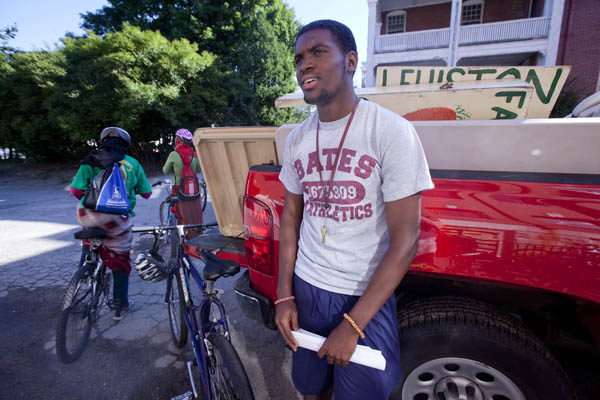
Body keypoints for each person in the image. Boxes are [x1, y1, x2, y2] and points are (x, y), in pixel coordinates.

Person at [275, 20, 434, 399]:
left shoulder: (390, 131)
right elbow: (291, 218)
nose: (304, 66)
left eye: (318, 52)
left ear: (350, 61)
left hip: (363, 292)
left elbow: (405, 241)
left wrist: (353, 324)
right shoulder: (297, 139)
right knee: (311, 386)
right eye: (299, 58)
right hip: (308, 285)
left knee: (363, 392)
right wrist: (284, 294)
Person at [70, 127, 152, 321]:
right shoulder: (132, 163)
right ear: (125, 144)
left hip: (87, 214)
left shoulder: (90, 159)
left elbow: (75, 190)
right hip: (116, 219)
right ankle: (120, 304)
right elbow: (147, 193)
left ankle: (81, 283)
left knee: (89, 243)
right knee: (120, 262)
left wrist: (93, 200)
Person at [162, 128, 203, 235]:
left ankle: (182, 236)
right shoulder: (194, 154)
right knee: (193, 214)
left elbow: (165, 170)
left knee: (181, 214)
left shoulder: (174, 155)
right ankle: (195, 234)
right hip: (193, 190)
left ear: (178, 140)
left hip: (179, 189)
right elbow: (198, 170)